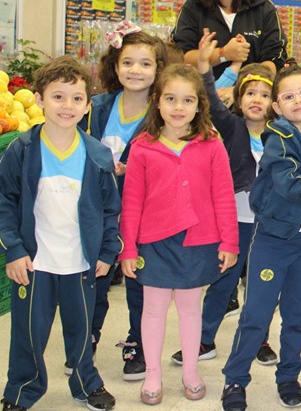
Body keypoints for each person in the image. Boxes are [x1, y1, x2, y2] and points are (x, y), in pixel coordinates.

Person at [0, 56, 120, 411]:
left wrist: (107, 252)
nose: (67, 106)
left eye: (76, 98)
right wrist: (14, 249)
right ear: (38, 99)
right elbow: (4, 202)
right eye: (58, 97)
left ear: (88, 103)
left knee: (82, 329)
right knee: (28, 332)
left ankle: (87, 382)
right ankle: (21, 391)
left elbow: (111, 209)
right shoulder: (20, 150)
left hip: (81, 262)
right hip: (34, 262)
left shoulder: (97, 154)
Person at [119, 64, 239, 405]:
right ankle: (153, 375)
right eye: (170, 99)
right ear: (156, 102)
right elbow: (131, 202)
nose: (178, 107)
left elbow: (223, 196)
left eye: (187, 100)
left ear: (200, 105)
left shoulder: (212, 143)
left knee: (190, 309)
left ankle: (190, 372)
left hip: (199, 242)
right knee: (153, 310)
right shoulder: (142, 146)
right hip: (154, 243)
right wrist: (127, 248)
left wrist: (229, 241)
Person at [220, 66, 301, 411]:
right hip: (273, 240)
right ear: (278, 107)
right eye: (287, 96)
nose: (297, 100)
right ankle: (235, 379)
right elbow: (289, 185)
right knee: (256, 313)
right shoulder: (278, 137)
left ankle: (288, 375)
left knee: (299, 314)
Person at [167, 30, 278, 368]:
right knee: (222, 282)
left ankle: (259, 339)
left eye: (264, 93)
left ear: (275, 101)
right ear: (239, 99)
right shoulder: (231, 127)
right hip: (234, 224)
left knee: (261, 286)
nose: (256, 99)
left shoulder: (281, 133)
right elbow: (211, 101)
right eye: (249, 93)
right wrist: (204, 66)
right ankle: (204, 339)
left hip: (268, 226)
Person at [81, 20, 168, 381]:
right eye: (128, 62)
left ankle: (139, 343)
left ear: (158, 70)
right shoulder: (95, 107)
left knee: (139, 282)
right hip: (97, 213)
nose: (136, 70)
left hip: (142, 215)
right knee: (93, 280)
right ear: (115, 66)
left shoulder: (163, 114)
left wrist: (132, 168)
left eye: (146, 63)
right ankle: (86, 338)